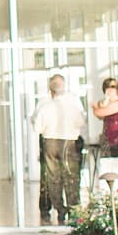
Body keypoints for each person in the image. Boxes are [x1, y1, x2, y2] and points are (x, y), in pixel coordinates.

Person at [34, 74, 86, 224]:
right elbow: (81, 122)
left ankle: (59, 209)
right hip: (69, 142)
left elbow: (37, 127)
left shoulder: (44, 105)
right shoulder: (73, 104)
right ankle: (73, 208)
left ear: (51, 90)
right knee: (71, 176)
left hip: (50, 142)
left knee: (53, 178)